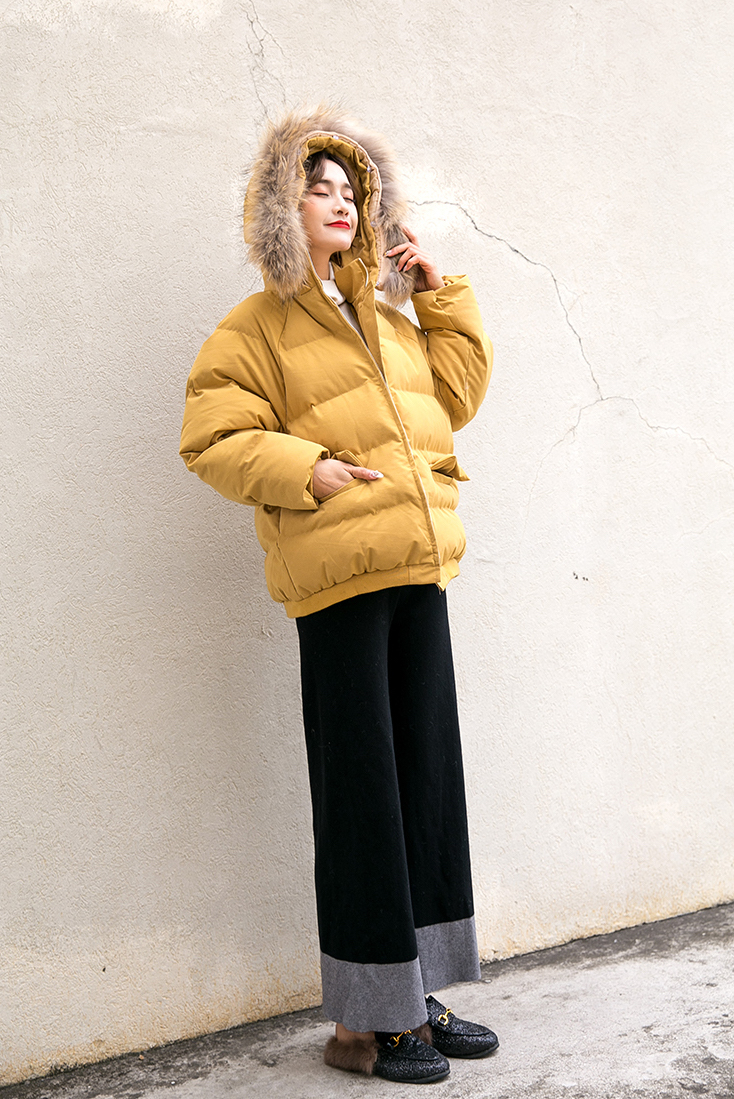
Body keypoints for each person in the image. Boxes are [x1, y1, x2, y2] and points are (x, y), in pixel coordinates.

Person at [179, 106, 497, 1084]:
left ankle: (416, 994)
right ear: (280, 207)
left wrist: (438, 298)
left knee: (425, 787)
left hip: (416, 569)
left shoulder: (390, 320)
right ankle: (367, 1020)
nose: (339, 203)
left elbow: (453, 400)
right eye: (316, 188)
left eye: (351, 191)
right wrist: (305, 468)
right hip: (336, 587)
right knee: (363, 796)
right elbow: (211, 439)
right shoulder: (255, 328)